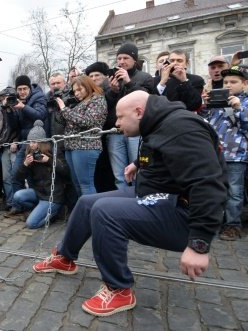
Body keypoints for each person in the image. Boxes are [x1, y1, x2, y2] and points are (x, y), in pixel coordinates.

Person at [32, 90, 228, 317]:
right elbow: (161, 149)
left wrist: (199, 244)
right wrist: (137, 163)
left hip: (185, 214)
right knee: (86, 202)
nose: (116, 123)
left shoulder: (182, 127)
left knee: (105, 212)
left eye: (120, 117)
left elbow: (208, 183)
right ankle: (65, 258)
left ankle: (119, 288)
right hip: (156, 195)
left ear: (138, 112)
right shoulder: (160, 122)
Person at [200, 66, 248, 240]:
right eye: (226, 82)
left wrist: (237, 108)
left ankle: (232, 225)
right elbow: (205, 123)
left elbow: (246, 126)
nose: (228, 85)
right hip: (215, 154)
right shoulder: (217, 100)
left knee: (234, 192)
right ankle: (214, 222)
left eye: (233, 82)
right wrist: (205, 106)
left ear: (244, 84)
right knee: (214, 189)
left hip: (237, 154)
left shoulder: (245, 102)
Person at [106, 43, 154, 189]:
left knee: (139, 170)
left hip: (136, 132)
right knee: (120, 175)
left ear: (134, 60)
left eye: (125, 58)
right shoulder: (112, 80)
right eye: (119, 58)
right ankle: (123, 204)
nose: (121, 61)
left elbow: (147, 100)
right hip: (116, 132)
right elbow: (107, 107)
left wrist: (128, 82)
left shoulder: (145, 77)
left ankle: (138, 202)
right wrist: (112, 91)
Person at [5, 120, 70, 228]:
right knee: (17, 196)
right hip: (39, 193)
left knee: (31, 224)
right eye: (30, 142)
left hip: (53, 196)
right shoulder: (31, 154)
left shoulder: (54, 151)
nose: (31, 145)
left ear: (41, 142)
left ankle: (52, 215)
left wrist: (49, 161)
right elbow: (17, 178)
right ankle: (39, 210)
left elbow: (66, 172)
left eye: (34, 142)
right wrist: (25, 164)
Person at [58, 75, 107, 196]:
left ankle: (92, 213)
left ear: (88, 86)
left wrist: (64, 110)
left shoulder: (97, 99)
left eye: (79, 89)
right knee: (77, 184)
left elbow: (88, 121)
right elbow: (70, 122)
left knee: (86, 184)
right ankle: (84, 212)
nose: (76, 93)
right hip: (72, 146)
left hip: (86, 146)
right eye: (74, 91)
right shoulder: (79, 103)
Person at [10, 75, 48, 195]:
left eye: (24, 88)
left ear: (30, 88)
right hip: (24, 141)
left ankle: (34, 205)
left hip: (37, 142)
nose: (22, 92)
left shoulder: (39, 97)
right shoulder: (18, 101)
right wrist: (9, 111)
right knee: (16, 173)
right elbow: (14, 125)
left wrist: (23, 107)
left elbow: (40, 115)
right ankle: (19, 205)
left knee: (33, 176)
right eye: (19, 89)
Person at [85, 62, 116, 193]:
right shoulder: (89, 94)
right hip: (96, 137)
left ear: (105, 76)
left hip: (109, 133)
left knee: (109, 169)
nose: (93, 78)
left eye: (97, 75)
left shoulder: (111, 90)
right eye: (90, 76)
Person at [0, 87, 21, 211]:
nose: (3, 100)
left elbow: (18, 127)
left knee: (15, 176)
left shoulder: (18, 107)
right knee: (6, 177)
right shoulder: (0, 109)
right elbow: (0, 129)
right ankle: (10, 202)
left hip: (15, 145)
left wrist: (15, 141)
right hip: (4, 146)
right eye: (2, 97)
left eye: (5, 97)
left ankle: (19, 203)